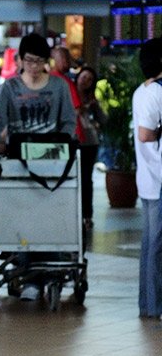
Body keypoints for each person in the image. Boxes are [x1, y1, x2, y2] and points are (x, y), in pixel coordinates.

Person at [0, 32, 77, 303]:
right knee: (23, 219)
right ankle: (25, 273)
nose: (34, 68)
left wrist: (65, 146)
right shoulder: (10, 88)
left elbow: (69, 122)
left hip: (53, 164)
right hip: (19, 164)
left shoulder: (59, 87)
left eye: (39, 62)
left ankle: (49, 270)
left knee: (51, 219)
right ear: (21, 61)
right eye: (29, 61)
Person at [133, 38, 162, 318]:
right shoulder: (156, 92)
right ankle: (154, 305)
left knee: (150, 244)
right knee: (156, 244)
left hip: (149, 176)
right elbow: (146, 133)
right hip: (158, 177)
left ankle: (148, 304)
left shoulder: (142, 91)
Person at [75, 65, 107, 236]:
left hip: (89, 142)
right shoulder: (69, 93)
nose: (85, 81)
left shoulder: (92, 99)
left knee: (86, 180)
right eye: (83, 77)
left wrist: (93, 107)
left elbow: (103, 120)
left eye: (89, 79)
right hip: (74, 141)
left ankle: (87, 215)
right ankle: (75, 213)